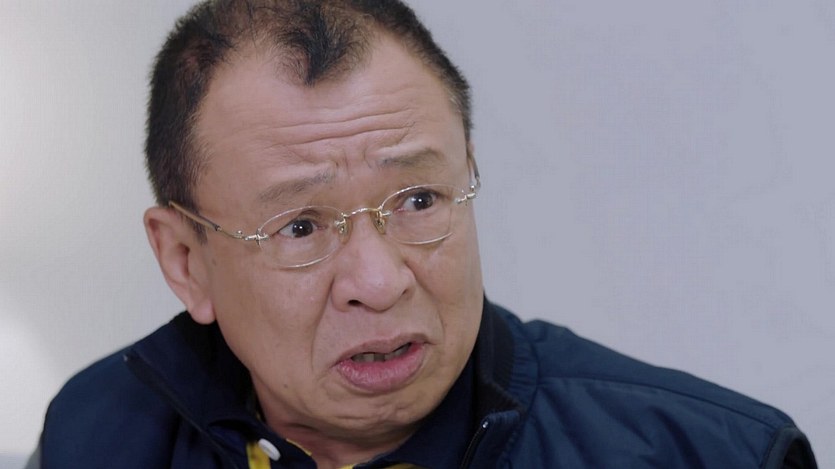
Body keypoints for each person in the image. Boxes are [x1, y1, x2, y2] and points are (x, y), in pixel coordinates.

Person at [30, 1, 817, 468]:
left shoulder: (710, 453)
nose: (379, 282)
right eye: (299, 225)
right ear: (184, 260)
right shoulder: (93, 433)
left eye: (417, 199)